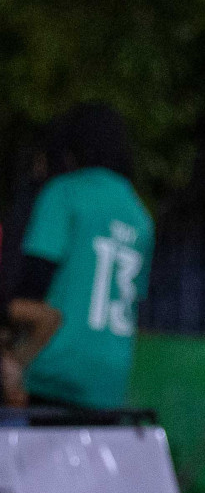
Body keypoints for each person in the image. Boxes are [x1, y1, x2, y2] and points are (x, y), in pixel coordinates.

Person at [12, 103, 153, 411]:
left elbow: (34, 281)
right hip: (111, 378)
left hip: (54, 366)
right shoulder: (140, 215)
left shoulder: (65, 193)